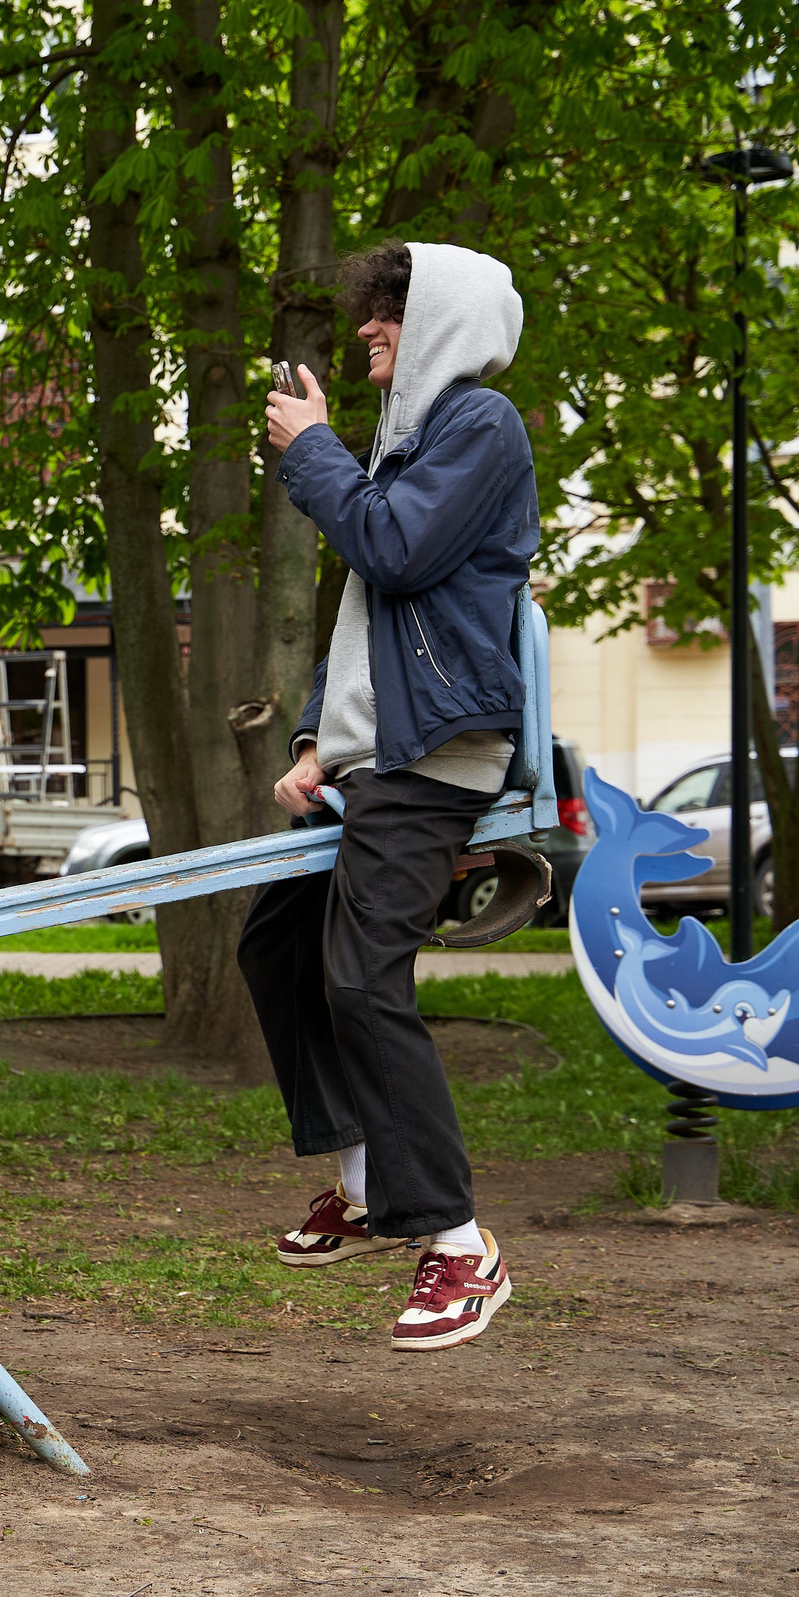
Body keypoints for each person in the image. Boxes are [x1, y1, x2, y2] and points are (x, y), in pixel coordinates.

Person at [240, 241, 536, 1352]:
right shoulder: (406, 444)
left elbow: (394, 549)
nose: (369, 325)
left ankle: (459, 1244)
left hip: (435, 762)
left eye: (392, 311)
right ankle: (367, 1185)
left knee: (365, 977)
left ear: (445, 322)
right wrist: (317, 740)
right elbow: (370, 619)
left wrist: (314, 450)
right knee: (278, 945)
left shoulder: (480, 426)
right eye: (372, 309)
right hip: (377, 762)